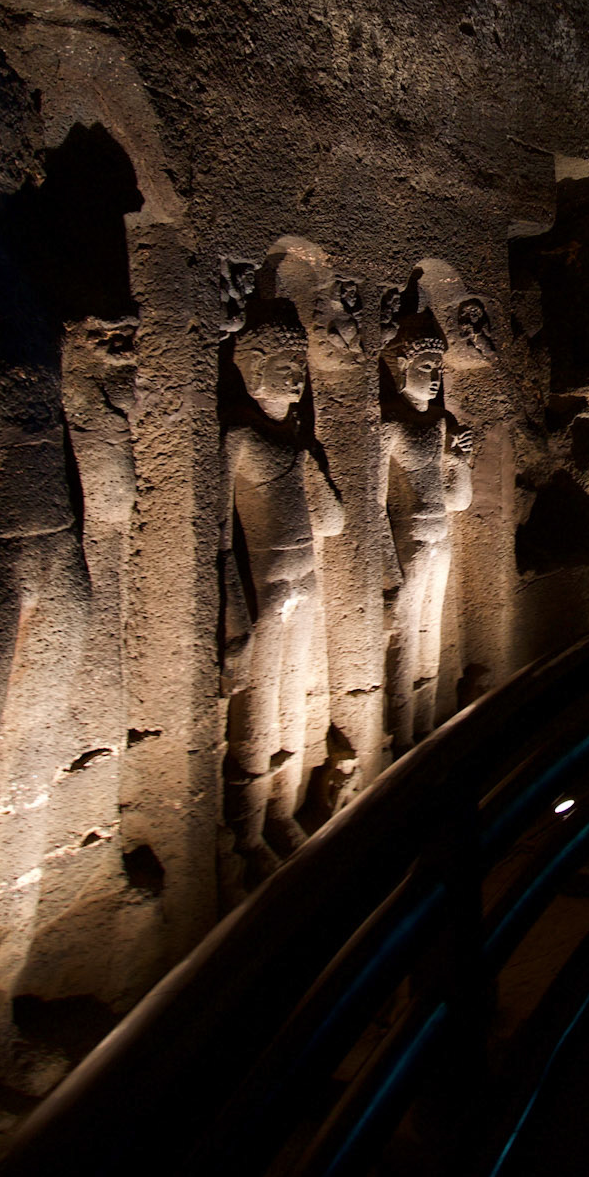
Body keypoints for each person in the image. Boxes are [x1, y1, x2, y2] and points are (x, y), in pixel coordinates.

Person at [220, 319, 343, 870]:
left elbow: (333, 522)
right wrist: (231, 614)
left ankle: (282, 812)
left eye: (300, 371)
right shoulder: (240, 439)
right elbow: (218, 535)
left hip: (305, 579)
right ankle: (247, 836)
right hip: (268, 586)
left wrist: (313, 466)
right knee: (259, 708)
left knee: (293, 701)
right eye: (284, 369)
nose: (296, 380)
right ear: (250, 370)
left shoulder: (293, 444)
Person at [380, 319, 474, 751]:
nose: (435, 378)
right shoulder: (392, 428)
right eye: (426, 367)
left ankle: (425, 729)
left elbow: (458, 501)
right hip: (411, 539)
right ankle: (400, 734)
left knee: (429, 630)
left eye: (438, 368)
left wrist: (458, 461)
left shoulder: (439, 425)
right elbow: (374, 508)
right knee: (405, 631)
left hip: (440, 535)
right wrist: (387, 574)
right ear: (401, 366)